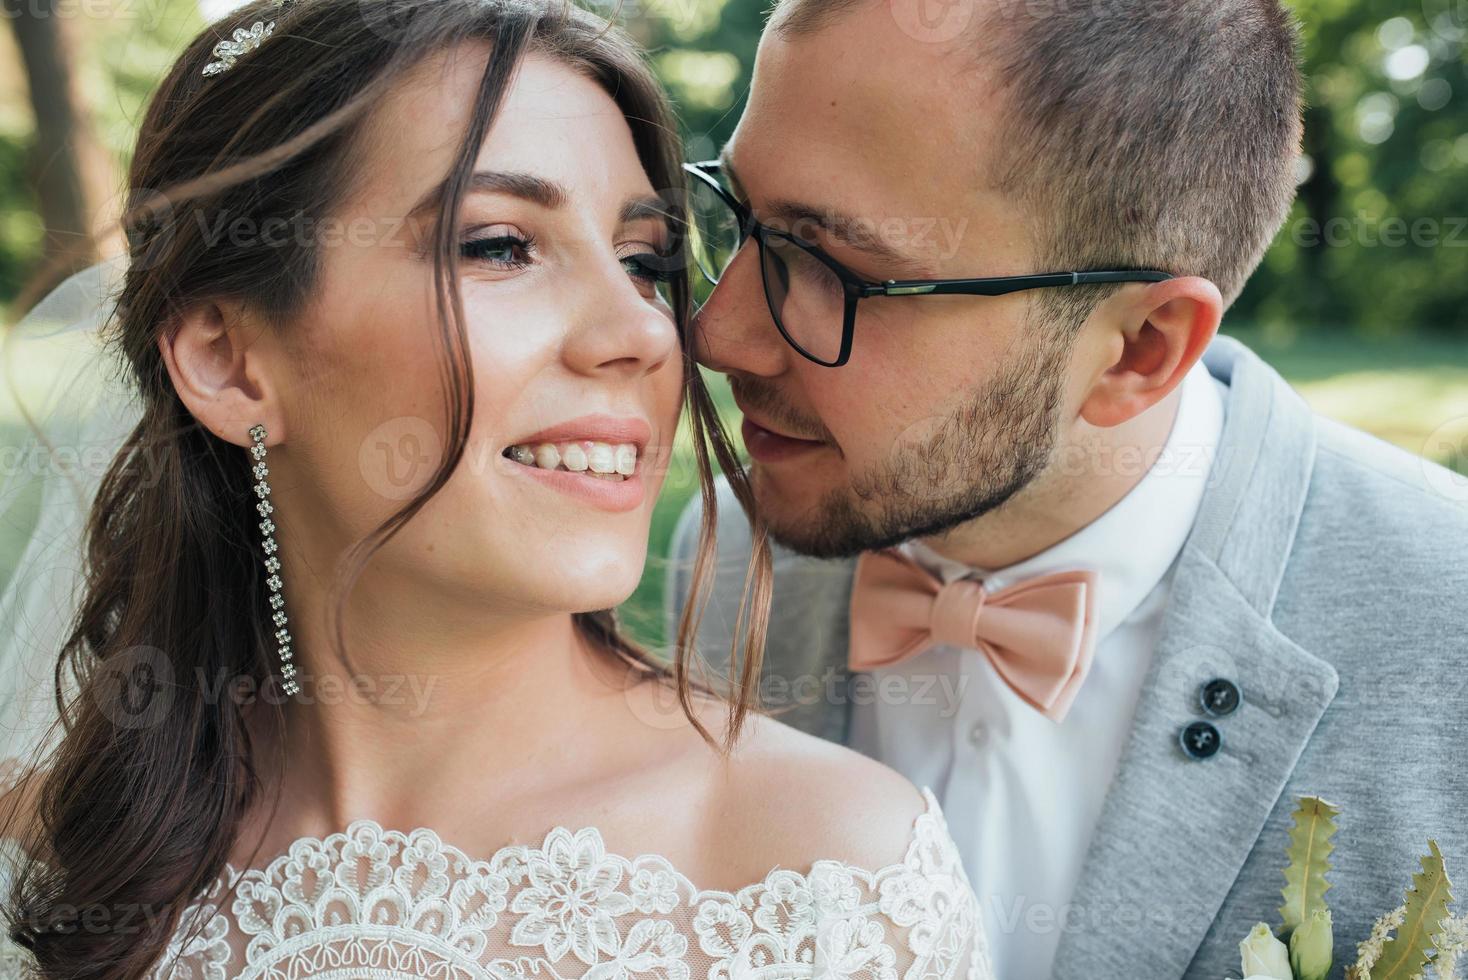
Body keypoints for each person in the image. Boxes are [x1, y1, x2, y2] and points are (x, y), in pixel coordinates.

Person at [0, 2, 994, 977]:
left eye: (644, 261)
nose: (649, 333)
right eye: (500, 246)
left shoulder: (832, 884)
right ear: (227, 361)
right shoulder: (67, 850)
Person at [667, 1, 1468, 978]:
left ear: (1140, 348)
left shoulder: (1447, 629)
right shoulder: (726, 564)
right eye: (738, 216)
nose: (717, 331)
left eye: (831, 267)